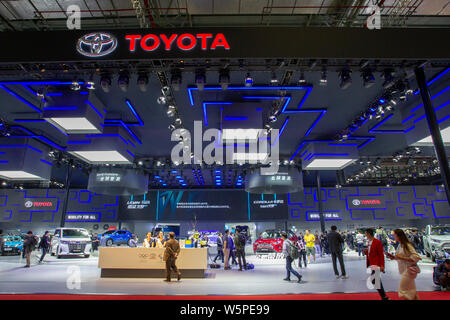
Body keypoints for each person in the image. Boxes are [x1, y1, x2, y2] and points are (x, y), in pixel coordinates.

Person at [386, 229, 422, 300]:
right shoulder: (400, 245)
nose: (394, 237)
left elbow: (415, 257)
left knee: (403, 290)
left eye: (395, 235)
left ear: (399, 236)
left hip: (409, 270)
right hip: (405, 270)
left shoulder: (407, 245)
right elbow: (399, 257)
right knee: (411, 290)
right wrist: (393, 257)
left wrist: (401, 258)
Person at [364, 228, 389, 300]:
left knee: (375, 280)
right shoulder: (369, 242)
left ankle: (384, 296)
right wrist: (366, 252)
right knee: (376, 280)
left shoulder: (377, 242)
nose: (365, 235)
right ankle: (384, 296)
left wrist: (382, 265)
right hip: (371, 264)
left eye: (366, 233)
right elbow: (370, 253)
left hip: (376, 264)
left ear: (369, 234)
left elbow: (381, 255)